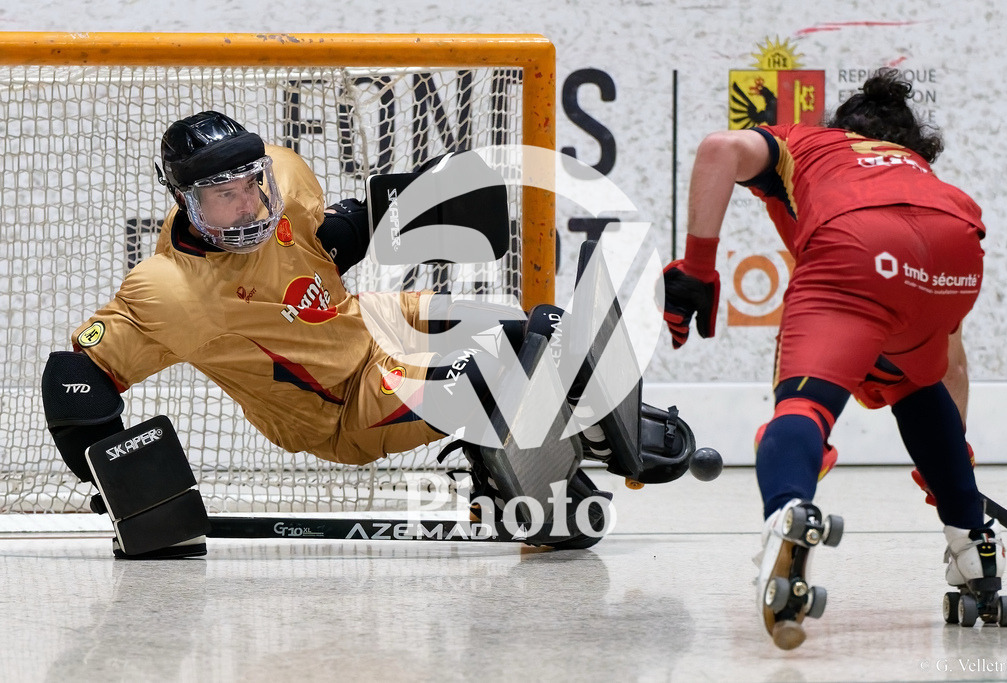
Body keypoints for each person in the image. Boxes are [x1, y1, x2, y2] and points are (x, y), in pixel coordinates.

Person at [41, 111, 700, 559]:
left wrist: (415, 197)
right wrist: (118, 488)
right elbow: (73, 379)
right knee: (485, 376)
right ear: (186, 200)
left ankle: (555, 451)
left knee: (519, 326)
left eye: (251, 184)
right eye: (225, 195)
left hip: (367, 320)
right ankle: (533, 469)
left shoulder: (285, 178)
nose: (249, 204)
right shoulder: (169, 292)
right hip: (337, 407)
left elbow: (332, 240)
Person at [661, 69, 1007, 649]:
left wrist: (697, 269)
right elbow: (951, 367)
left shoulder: (806, 142)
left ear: (841, 129)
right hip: (955, 253)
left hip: (856, 247)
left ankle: (788, 514)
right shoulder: (922, 175)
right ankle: (974, 547)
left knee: (803, 405)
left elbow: (719, 148)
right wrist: (953, 480)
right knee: (914, 385)